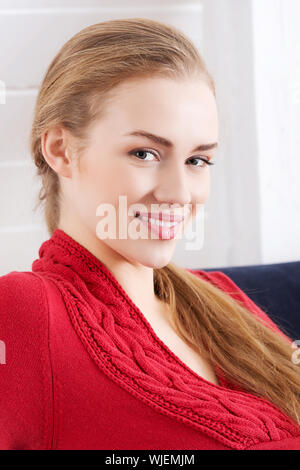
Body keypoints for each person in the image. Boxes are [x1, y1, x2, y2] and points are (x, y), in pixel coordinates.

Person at [0, 18, 300, 450]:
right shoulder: (24, 313)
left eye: (198, 160)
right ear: (61, 150)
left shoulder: (222, 300)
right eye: (145, 153)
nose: (179, 193)